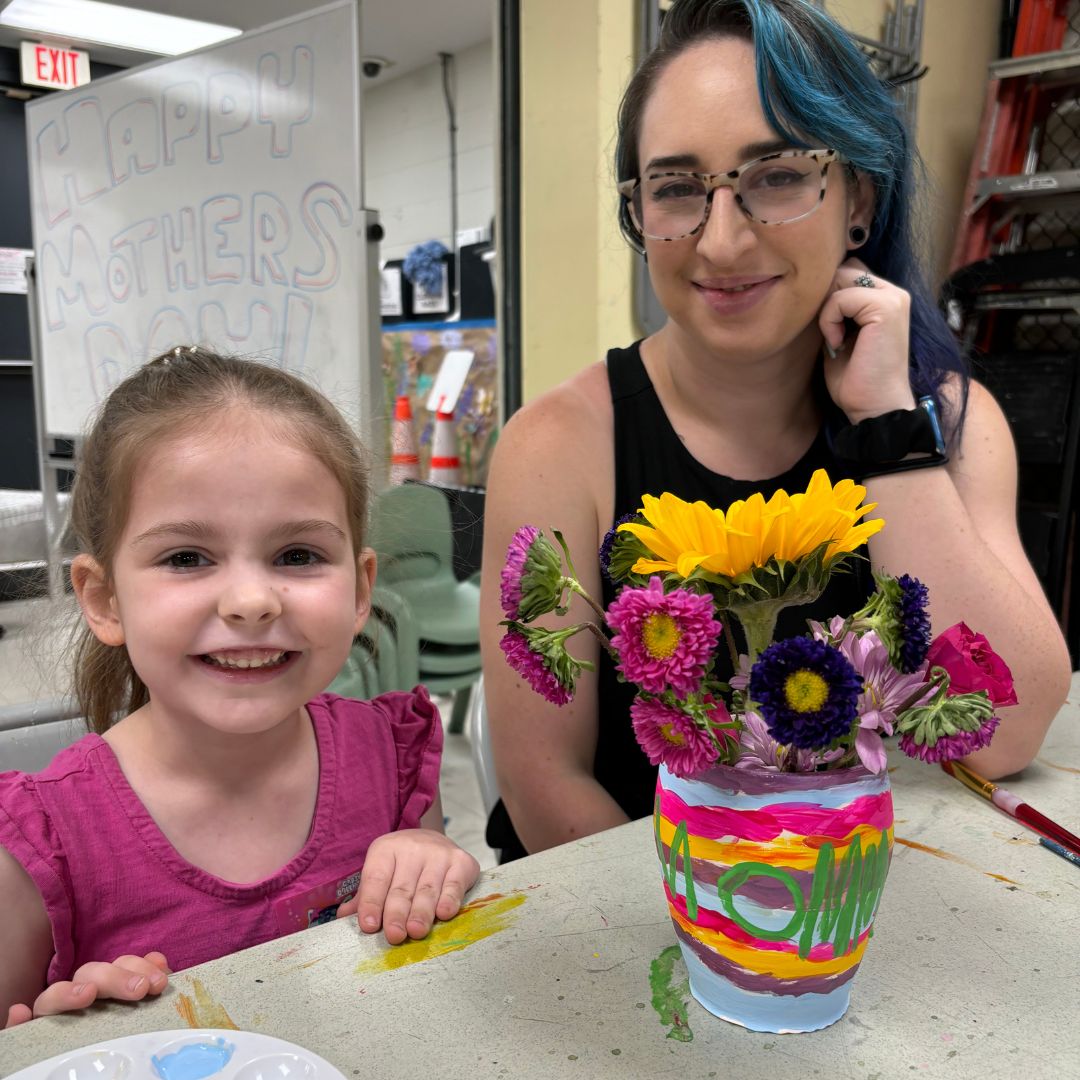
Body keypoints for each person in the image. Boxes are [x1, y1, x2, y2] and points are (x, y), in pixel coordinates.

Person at [479, 0, 1072, 862]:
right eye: (678, 188)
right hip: (639, 924)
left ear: (859, 200)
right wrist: (734, 933)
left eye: (779, 175)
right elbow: (545, 784)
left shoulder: (951, 421)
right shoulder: (557, 447)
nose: (721, 242)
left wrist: (886, 432)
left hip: (855, 915)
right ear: (640, 215)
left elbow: (1006, 731)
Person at [0, 348, 480, 1027]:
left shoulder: (391, 757)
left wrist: (432, 864)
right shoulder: (40, 846)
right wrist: (57, 1041)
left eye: (298, 556)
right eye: (186, 558)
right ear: (104, 599)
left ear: (361, 588)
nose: (251, 601)